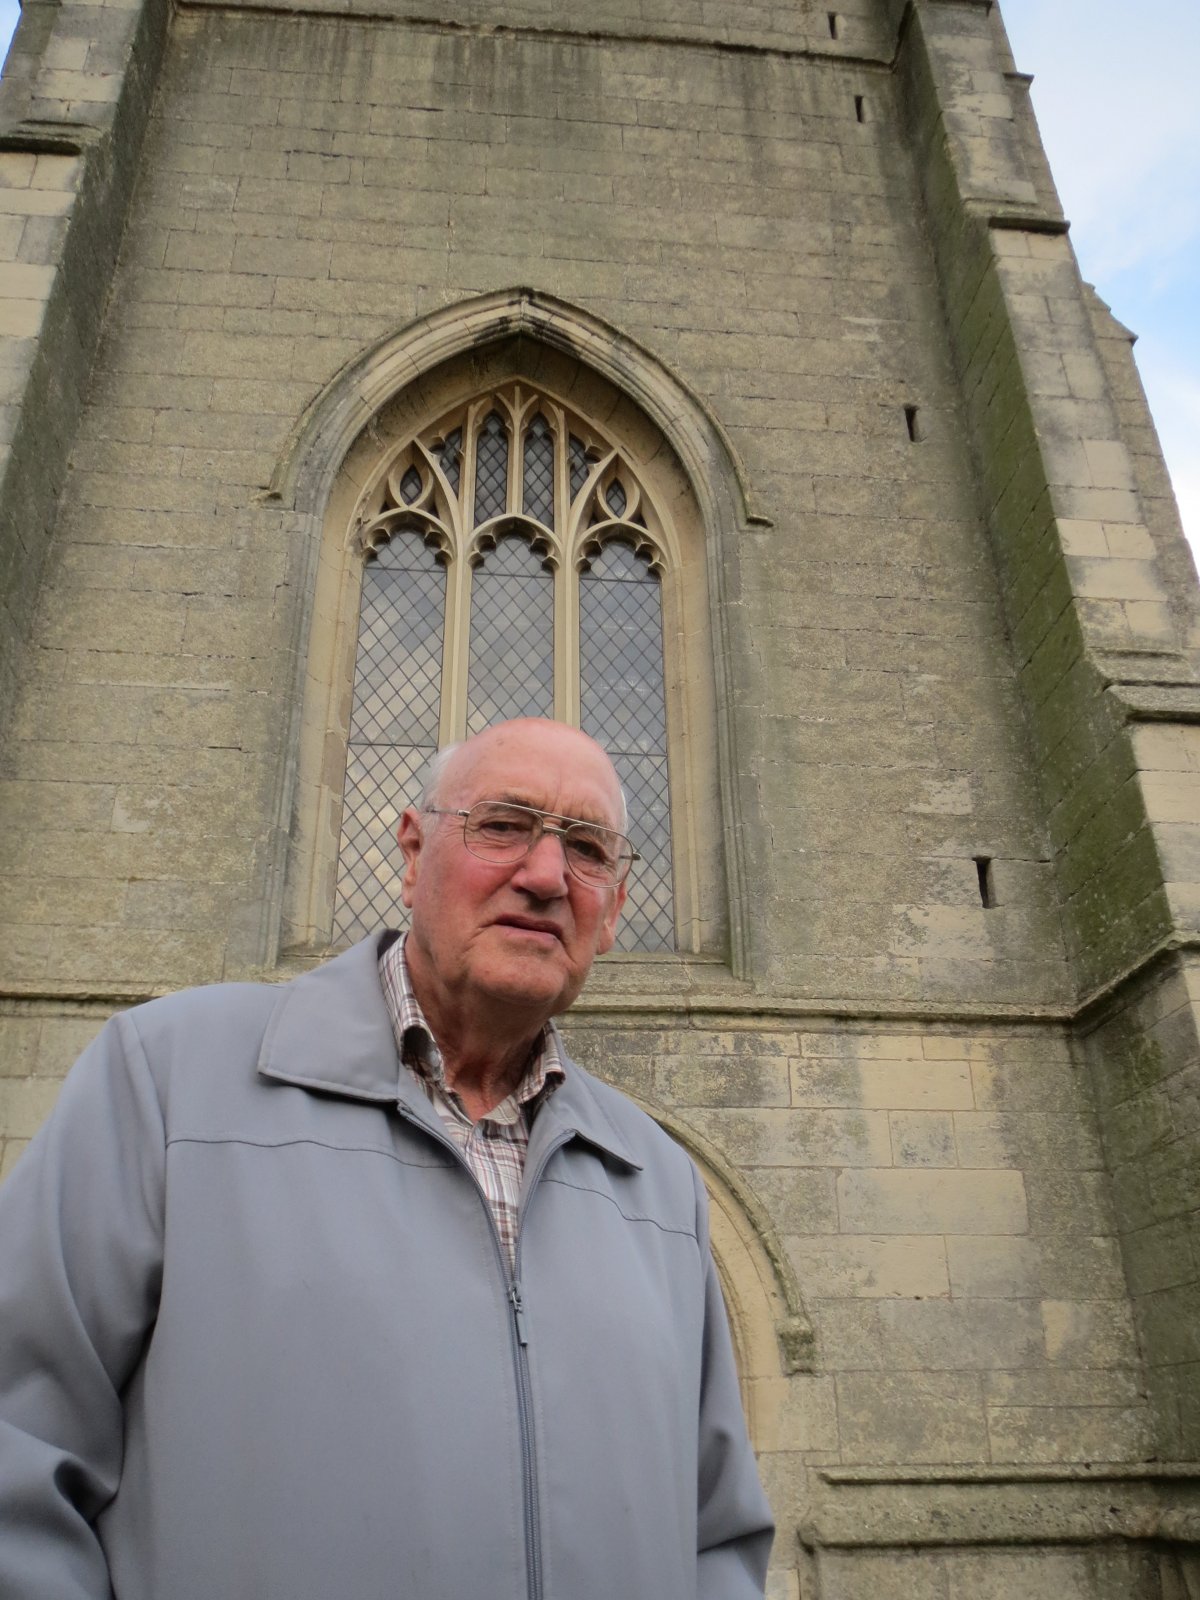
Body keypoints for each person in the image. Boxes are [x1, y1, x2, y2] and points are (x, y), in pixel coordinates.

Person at [0, 716, 773, 1600]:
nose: (547, 876)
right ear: (411, 853)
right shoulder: (168, 1082)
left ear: (615, 910)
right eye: (503, 826)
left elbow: (716, 1539)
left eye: (588, 849)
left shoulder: (659, 1184)